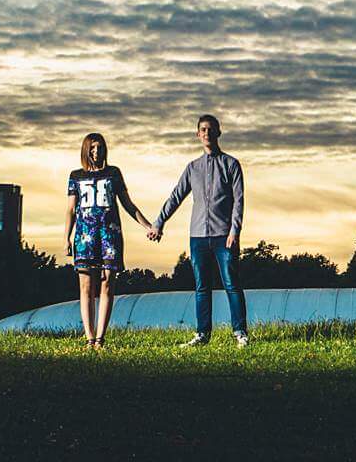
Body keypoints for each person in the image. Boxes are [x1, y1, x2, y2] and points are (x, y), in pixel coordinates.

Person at [151, 114, 249, 347]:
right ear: (198, 135)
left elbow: (239, 201)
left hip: (223, 235)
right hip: (198, 237)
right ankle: (202, 334)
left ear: (218, 133)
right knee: (201, 287)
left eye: (211, 129)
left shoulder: (231, 164)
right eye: (203, 130)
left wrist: (234, 231)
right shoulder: (192, 168)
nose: (207, 133)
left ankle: (240, 332)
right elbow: (176, 196)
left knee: (231, 284)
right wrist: (159, 222)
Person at [65, 132, 157, 348]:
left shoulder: (113, 174)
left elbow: (128, 204)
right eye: (93, 148)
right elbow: (70, 209)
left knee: (107, 284)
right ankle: (89, 337)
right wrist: (66, 237)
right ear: (86, 150)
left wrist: (148, 225)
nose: (96, 152)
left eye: (100, 147)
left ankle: (100, 338)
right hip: (85, 237)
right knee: (86, 286)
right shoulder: (76, 176)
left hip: (110, 235)